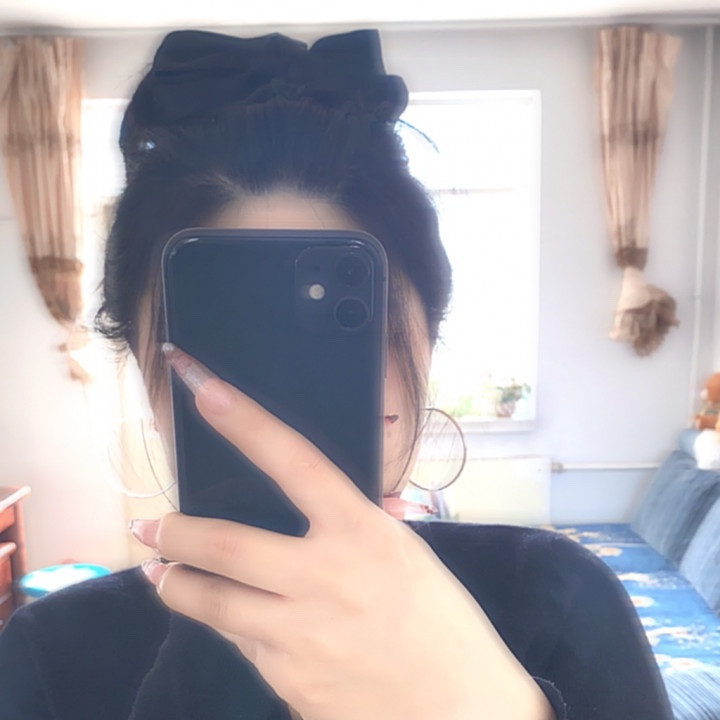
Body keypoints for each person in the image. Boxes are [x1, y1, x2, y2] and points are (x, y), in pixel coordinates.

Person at [0, 28, 673, 720]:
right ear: (148, 382)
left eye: (349, 332)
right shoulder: (49, 653)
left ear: (428, 342)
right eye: (232, 347)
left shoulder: (558, 599)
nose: (281, 411)